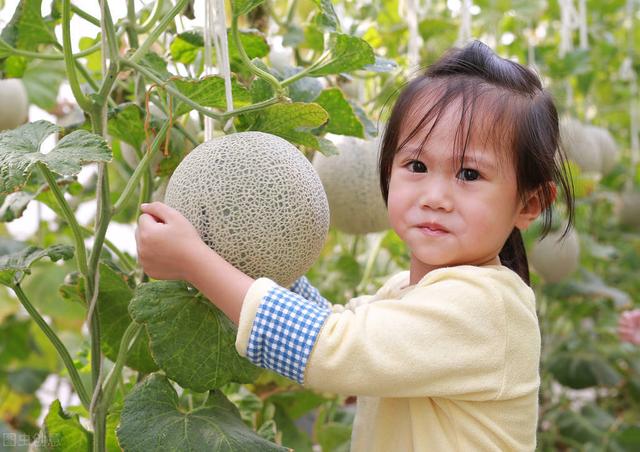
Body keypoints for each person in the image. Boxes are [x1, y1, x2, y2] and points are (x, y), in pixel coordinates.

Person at [135, 41, 575, 451]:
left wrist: (195, 261)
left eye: (469, 175)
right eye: (416, 165)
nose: (435, 196)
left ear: (530, 203)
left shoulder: (485, 309)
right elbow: (333, 324)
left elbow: (328, 350)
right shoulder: (405, 290)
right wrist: (246, 253)